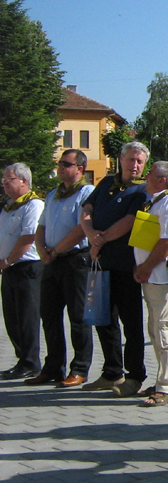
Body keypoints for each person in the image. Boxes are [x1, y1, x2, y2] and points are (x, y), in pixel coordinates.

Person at [80, 142, 149, 395]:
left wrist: (101, 240)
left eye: (140, 162)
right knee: (103, 319)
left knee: (131, 324)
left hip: (126, 266)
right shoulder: (105, 183)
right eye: (131, 160)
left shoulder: (142, 191)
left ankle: (135, 375)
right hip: (101, 264)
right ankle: (112, 372)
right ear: (121, 159)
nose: (135, 165)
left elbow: (130, 221)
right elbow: (87, 210)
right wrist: (91, 236)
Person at [26, 150, 95, 387]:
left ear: (80, 169)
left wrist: (55, 251)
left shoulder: (87, 193)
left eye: (67, 164)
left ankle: (80, 369)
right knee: (50, 316)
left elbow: (80, 230)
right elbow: (41, 226)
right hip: (52, 261)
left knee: (78, 317)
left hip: (75, 261)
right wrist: (43, 250)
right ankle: (53, 367)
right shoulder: (54, 194)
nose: (61, 167)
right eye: (60, 163)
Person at [132, 162, 168, 406]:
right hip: (154, 280)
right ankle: (162, 380)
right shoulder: (157, 201)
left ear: (161, 180)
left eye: (150, 174)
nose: (145, 176)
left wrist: (144, 267)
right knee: (157, 333)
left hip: (166, 279)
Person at [0, 163, 44, 380]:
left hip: (27, 267)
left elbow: (28, 238)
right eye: (4, 180)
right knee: (12, 317)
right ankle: (22, 360)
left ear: (23, 181)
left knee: (27, 316)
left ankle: (31, 362)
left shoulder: (33, 205)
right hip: (9, 268)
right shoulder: (9, 206)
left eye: (9, 179)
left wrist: (8, 259)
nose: (4, 183)